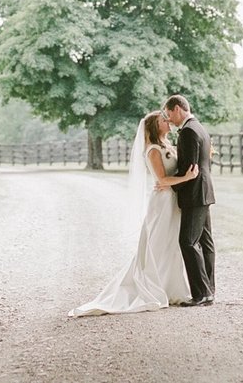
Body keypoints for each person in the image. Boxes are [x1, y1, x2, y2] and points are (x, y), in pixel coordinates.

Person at [68, 111, 197, 316]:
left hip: (173, 201)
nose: (168, 121)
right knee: (158, 244)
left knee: (171, 244)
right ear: (156, 127)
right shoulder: (153, 150)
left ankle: (171, 287)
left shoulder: (167, 145)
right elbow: (162, 181)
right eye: (164, 120)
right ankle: (154, 287)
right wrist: (188, 178)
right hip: (162, 203)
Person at [163, 93, 216, 306]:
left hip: (194, 193)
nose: (169, 119)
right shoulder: (200, 127)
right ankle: (209, 289)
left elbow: (189, 169)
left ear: (177, 108)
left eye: (169, 114)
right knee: (205, 241)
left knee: (188, 241)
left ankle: (202, 293)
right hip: (204, 191)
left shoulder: (187, 132)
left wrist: (170, 185)